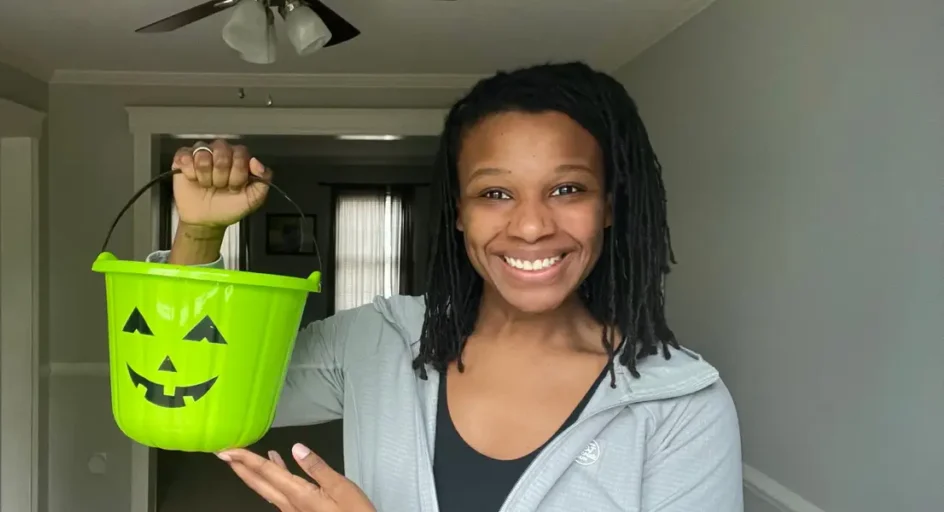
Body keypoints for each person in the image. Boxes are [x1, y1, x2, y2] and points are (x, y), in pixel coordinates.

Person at [152, 61, 743, 511]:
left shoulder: (679, 406)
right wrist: (199, 235)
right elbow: (191, 396)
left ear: (608, 206)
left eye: (567, 189)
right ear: (459, 212)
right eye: (495, 193)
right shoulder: (377, 341)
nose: (531, 226)